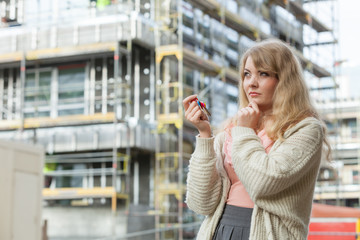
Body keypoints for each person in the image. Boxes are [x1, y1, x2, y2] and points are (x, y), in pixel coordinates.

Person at [183, 39, 330, 240]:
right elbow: (200, 203)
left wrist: (245, 132)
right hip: (219, 230)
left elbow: (263, 184)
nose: (251, 82)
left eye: (263, 73)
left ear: (284, 80)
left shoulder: (305, 129)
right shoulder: (231, 129)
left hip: (269, 233)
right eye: (247, 74)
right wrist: (205, 136)